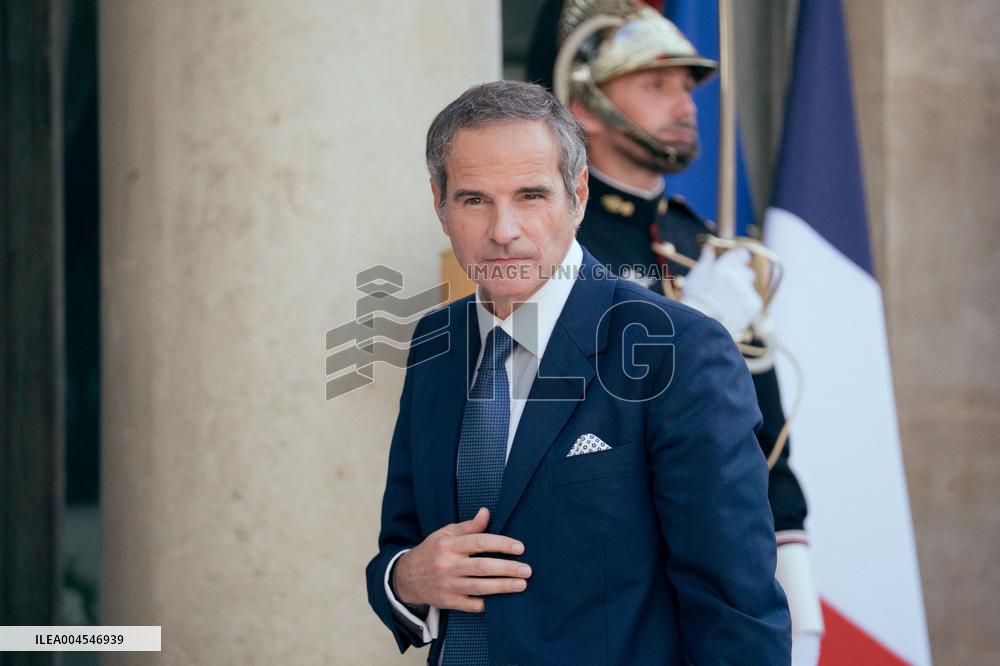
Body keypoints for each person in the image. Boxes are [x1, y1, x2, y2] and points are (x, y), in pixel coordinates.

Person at [365, 80, 790, 665]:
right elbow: (402, 543)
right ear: (439, 203)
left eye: (531, 196)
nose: (503, 230)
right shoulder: (436, 342)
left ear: (578, 193)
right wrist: (405, 579)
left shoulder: (678, 350)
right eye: (473, 200)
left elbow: (735, 610)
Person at [526, 1, 823, 662]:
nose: (685, 103)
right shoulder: (549, 241)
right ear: (585, 104)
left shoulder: (701, 241)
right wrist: (688, 335)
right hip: (601, 576)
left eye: (686, 86)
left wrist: (791, 558)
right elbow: (544, 404)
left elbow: (761, 430)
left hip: (721, 567)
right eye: (655, 85)